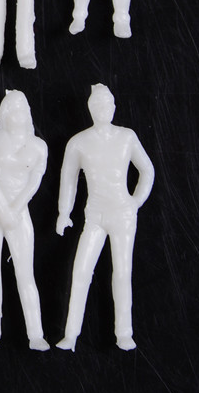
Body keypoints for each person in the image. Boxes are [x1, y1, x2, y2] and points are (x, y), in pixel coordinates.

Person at [56, 84, 155, 351]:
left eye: (107, 104)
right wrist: (64, 212)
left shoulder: (127, 137)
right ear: (90, 109)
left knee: (122, 272)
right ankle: (71, 334)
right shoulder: (78, 142)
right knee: (81, 271)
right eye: (98, 105)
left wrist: (136, 202)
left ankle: (124, 333)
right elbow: (68, 179)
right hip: (95, 216)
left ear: (114, 107)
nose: (103, 109)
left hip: (123, 214)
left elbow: (147, 170)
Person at [0, 90, 48, 351]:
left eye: (22, 108)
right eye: (13, 109)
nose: (18, 114)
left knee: (25, 273)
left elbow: (34, 182)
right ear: (4, 113)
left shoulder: (38, 146)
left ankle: (36, 334)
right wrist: (2, 208)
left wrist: (14, 210)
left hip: (19, 213)